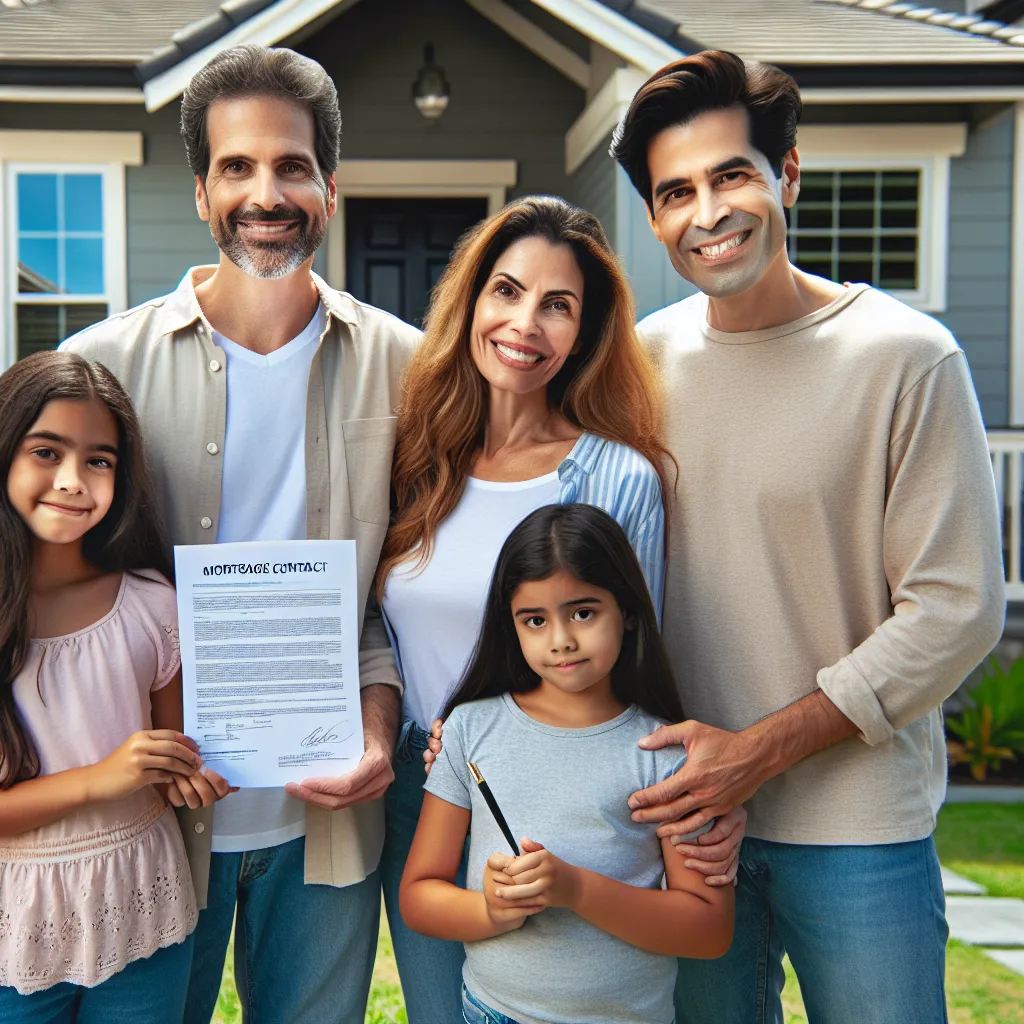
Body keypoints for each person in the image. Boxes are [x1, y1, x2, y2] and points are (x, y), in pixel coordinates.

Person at [608, 50, 1006, 1023]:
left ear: (785, 176)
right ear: (654, 217)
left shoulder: (905, 358)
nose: (708, 212)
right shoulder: (638, 365)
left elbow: (956, 607)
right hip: (690, 824)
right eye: (675, 192)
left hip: (856, 827)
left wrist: (756, 750)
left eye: (731, 174)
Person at [63, 45, 419, 1023]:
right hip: (148, 820)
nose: (268, 192)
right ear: (201, 190)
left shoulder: (408, 368)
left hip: (322, 823)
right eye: (238, 167)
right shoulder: (98, 371)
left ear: (331, 186)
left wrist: (380, 730)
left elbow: (401, 596)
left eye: (292, 166)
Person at [378, 195, 746, 1021]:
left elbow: (635, 660)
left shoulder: (618, 477)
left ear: (584, 332)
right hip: (425, 783)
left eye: (558, 305)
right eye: (506, 292)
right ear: (472, 302)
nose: (526, 323)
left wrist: (695, 800)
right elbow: (379, 626)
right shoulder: (414, 461)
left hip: (568, 785)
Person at [401, 503, 735, 1024]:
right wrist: (491, 909)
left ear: (625, 610)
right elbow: (419, 896)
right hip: (493, 1013)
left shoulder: (665, 753)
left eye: (583, 612)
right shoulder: (469, 731)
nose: (560, 639)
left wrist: (577, 890)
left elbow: (709, 931)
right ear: (511, 626)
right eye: (534, 620)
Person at [0, 351, 231, 1022]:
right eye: (47, 451)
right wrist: (108, 776)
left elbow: (172, 753)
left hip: (144, 902)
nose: (74, 481)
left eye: (99, 460)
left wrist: (187, 775)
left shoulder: (151, 603)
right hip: (18, 923)